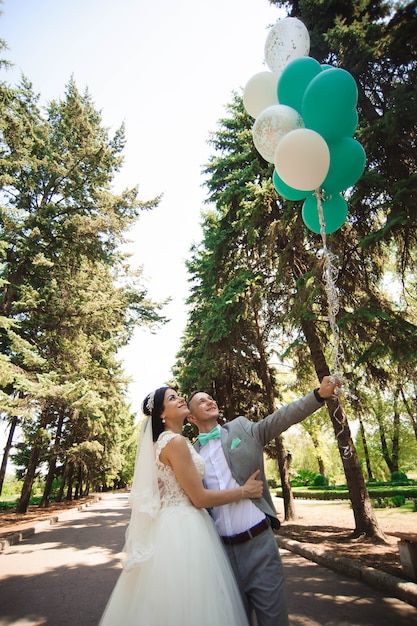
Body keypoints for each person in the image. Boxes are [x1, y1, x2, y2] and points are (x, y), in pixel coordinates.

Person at [99, 386, 263, 626]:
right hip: (184, 527)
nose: (180, 398)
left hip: (172, 522)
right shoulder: (174, 442)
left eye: (178, 395)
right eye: (172, 398)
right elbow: (199, 498)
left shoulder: (169, 442)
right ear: (161, 415)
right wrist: (243, 491)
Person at [187, 375, 338, 626]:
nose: (210, 401)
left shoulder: (241, 428)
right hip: (220, 554)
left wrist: (318, 395)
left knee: (273, 621)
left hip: (259, 545)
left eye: (211, 398)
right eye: (202, 401)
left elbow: (281, 418)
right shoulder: (191, 453)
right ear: (191, 418)